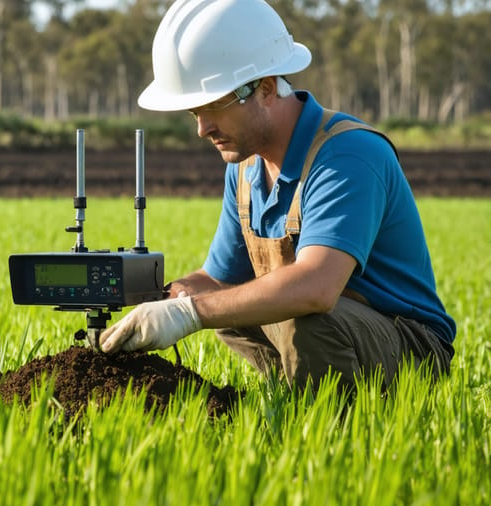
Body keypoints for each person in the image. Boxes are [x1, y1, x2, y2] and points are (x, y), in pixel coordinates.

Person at [99, 0, 455, 391]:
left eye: (214, 106)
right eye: (193, 112)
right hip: (341, 332)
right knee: (232, 309)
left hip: (411, 345)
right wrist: (164, 299)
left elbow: (317, 287)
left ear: (266, 89)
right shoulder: (245, 169)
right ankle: (288, 402)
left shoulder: (347, 155)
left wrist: (191, 312)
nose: (202, 128)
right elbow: (217, 280)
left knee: (307, 320)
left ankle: (328, 429)